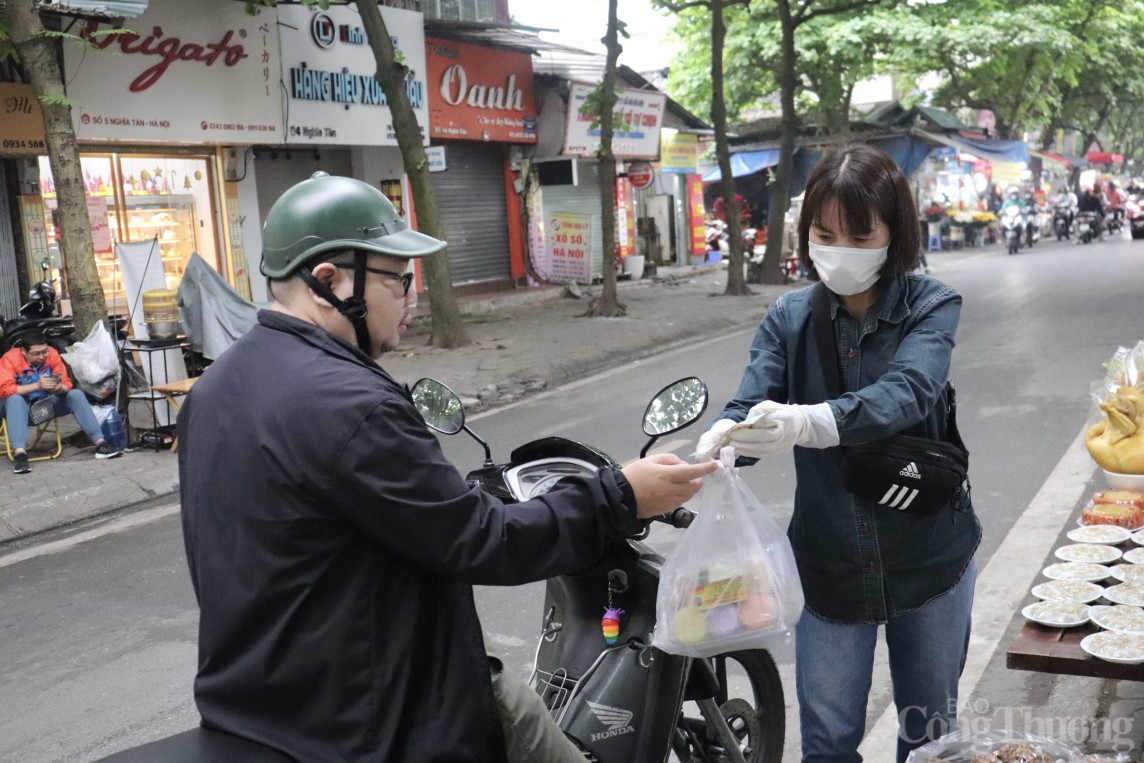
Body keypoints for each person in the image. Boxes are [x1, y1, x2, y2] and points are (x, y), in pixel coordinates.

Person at [177, 171, 717, 763]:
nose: (413, 297)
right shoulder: (355, 406)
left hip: (262, 701)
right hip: (371, 717)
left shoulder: (218, 388)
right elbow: (484, 543)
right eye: (398, 279)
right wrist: (620, 496)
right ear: (327, 280)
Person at [695, 145, 980, 763]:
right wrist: (720, 440)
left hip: (929, 561)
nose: (840, 249)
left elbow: (910, 391)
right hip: (828, 569)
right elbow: (751, 404)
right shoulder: (787, 318)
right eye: (825, 234)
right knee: (826, 741)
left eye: (860, 234)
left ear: (894, 232)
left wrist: (812, 420)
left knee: (930, 737)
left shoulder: (932, 306)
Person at [0, 332, 122, 473]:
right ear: (23, 351)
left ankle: (101, 444)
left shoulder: (52, 354)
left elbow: (66, 383)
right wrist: (37, 386)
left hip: (45, 405)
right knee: (15, 398)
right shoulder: (9, 358)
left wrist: (59, 389)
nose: (42, 356)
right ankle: (20, 454)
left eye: (44, 351)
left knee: (75, 394)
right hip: (18, 409)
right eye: (36, 354)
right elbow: (5, 390)